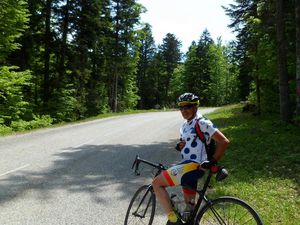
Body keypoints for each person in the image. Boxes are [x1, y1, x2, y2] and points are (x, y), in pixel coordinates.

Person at [152, 92, 230, 225]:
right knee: (190, 212)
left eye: (187, 107)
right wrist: (180, 145)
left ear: (195, 107)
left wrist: (212, 161)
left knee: (156, 183)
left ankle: (173, 220)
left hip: (193, 166)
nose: (184, 110)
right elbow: (191, 143)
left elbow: (224, 141)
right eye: (181, 108)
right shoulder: (185, 125)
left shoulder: (202, 122)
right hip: (187, 166)